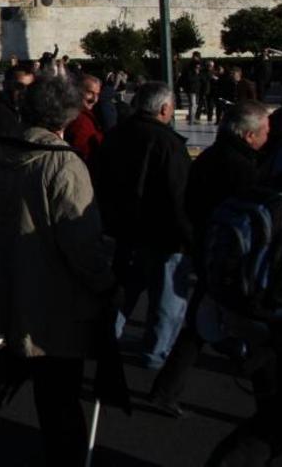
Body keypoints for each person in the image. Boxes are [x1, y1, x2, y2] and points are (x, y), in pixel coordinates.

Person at [0, 77, 114, 464]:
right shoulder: (64, 164)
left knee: (23, 355)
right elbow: (80, 240)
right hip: (57, 290)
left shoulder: (8, 151)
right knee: (59, 388)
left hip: (18, 273)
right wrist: (104, 282)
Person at [149, 100, 271, 416]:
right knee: (247, 328)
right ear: (249, 135)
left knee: (201, 325)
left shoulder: (212, 157)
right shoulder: (243, 168)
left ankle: (166, 388)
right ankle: (269, 407)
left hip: (210, 251)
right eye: (265, 131)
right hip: (232, 260)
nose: (268, 137)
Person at [93, 81, 192, 370]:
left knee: (123, 289)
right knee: (166, 299)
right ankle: (156, 353)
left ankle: (106, 338)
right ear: (164, 108)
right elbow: (178, 195)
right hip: (161, 233)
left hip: (123, 228)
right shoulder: (168, 144)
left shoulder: (116, 135)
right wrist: (188, 236)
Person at [63, 73, 104, 165]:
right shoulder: (80, 120)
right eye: (90, 93)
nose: (95, 99)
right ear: (77, 91)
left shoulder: (81, 115)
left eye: (97, 94)